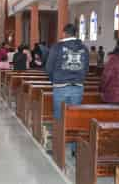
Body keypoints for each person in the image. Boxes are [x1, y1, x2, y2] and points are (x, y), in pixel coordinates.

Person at [46, 24, 89, 155]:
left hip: (60, 86)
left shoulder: (57, 47)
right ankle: (75, 149)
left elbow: (48, 67)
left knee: (59, 116)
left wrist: (55, 79)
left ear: (64, 33)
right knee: (75, 118)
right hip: (78, 87)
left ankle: (57, 147)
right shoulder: (84, 48)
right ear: (75, 33)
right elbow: (86, 68)